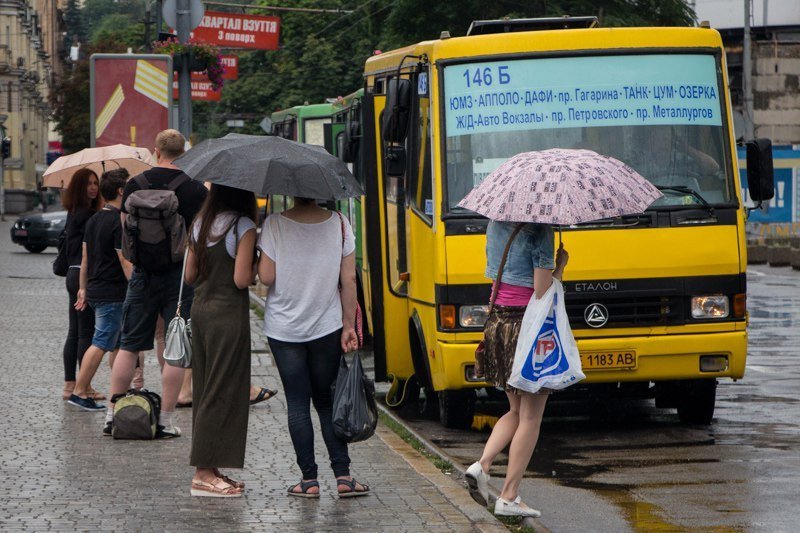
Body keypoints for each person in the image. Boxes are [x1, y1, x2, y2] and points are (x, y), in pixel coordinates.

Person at [258, 197, 369, 498]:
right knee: (326, 401)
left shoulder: (274, 224)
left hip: (284, 329)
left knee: (297, 402)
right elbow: (348, 279)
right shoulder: (340, 225)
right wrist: (348, 325)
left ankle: (309, 481)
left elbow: (266, 277)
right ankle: (343, 476)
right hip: (326, 327)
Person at [107, 129, 207, 437]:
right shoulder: (194, 189)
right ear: (184, 152)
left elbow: (126, 231)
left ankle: (112, 415)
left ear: (156, 150)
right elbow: (200, 235)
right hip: (180, 276)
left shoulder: (135, 184)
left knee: (129, 345)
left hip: (142, 274)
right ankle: (165, 420)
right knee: (175, 347)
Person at [465, 221, 568, 518]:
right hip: (527, 329)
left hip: (499, 326)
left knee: (515, 411)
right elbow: (541, 290)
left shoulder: (495, 223)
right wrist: (560, 266)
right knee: (531, 416)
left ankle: (481, 465)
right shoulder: (541, 229)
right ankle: (509, 496)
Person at [184, 184, 258, 497]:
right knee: (222, 389)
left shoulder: (199, 223)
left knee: (205, 388)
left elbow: (189, 276)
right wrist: (256, 265)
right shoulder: (243, 226)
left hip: (200, 311)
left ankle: (212, 467)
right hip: (228, 316)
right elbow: (242, 279)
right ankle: (202, 473)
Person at [68, 169, 133, 411]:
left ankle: (119, 392)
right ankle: (79, 391)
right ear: (120, 191)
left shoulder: (94, 219)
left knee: (118, 343)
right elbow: (124, 260)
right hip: (111, 292)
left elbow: (85, 259)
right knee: (101, 341)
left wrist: (83, 289)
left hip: (96, 288)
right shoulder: (118, 222)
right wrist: (137, 286)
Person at [61, 168, 100, 400]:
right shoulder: (87, 214)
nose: (93, 187)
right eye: (88, 184)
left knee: (74, 331)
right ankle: (83, 386)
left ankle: (69, 384)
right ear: (79, 188)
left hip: (71, 275)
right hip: (82, 275)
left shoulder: (73, 212)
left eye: (96, 183)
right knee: (86, 332)